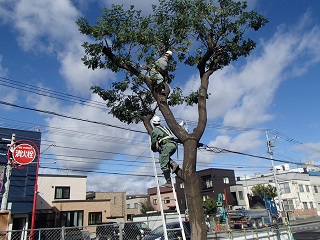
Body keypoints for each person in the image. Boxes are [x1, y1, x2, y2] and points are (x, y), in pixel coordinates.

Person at [151, 115, 180, 188]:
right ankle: (173, 164)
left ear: (153, 123)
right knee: (163, 158)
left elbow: (154, 141)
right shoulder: (164, 127)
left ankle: (168, 182)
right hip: (173, 145)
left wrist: (153, 148)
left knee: (163, 163)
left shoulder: (155, 130)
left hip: (167, 146)